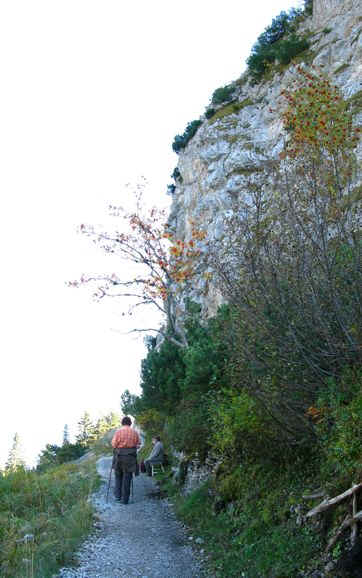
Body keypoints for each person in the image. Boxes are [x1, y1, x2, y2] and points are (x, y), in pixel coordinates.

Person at [111, 416, 141, 504]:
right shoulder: (135, 432)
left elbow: (114, 444)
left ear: (122, 423)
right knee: (127, 477)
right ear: (130, 423)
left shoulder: (118, 431)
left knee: (118, 476)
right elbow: (138, 444)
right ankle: (125, 500)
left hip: (119, 456)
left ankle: (118, 496)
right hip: (130, 457)